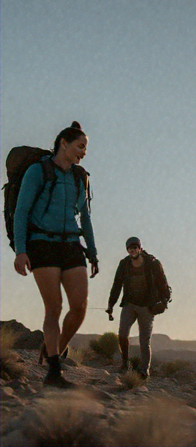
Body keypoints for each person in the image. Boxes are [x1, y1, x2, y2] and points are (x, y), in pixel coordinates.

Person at [13, 121, 99, 388]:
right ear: (64, 143)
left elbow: (85, 218)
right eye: (80, 146)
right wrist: (21, 250)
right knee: (55, 307)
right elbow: (22, 211)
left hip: (71, 245)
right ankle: (54, 372)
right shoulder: (38, 171)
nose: (83, 152)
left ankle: (54, 348)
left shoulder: (78, 177)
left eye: (85, 148)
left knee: (80, 307)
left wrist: (93, 254)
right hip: (42, 244)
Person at [106, 237, 171, 379]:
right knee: (122, 334)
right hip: (129, 304)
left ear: (140, 248)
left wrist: (165, 301)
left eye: (135, 247)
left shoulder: (153, 263)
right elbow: (116, 285)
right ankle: (125, 363)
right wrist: (111, 304)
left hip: (147, 307)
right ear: (127, 250)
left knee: (144, 341)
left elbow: (162, 282)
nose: (133, 250)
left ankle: (144, 370)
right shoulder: (124, 264)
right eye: (130, 248)